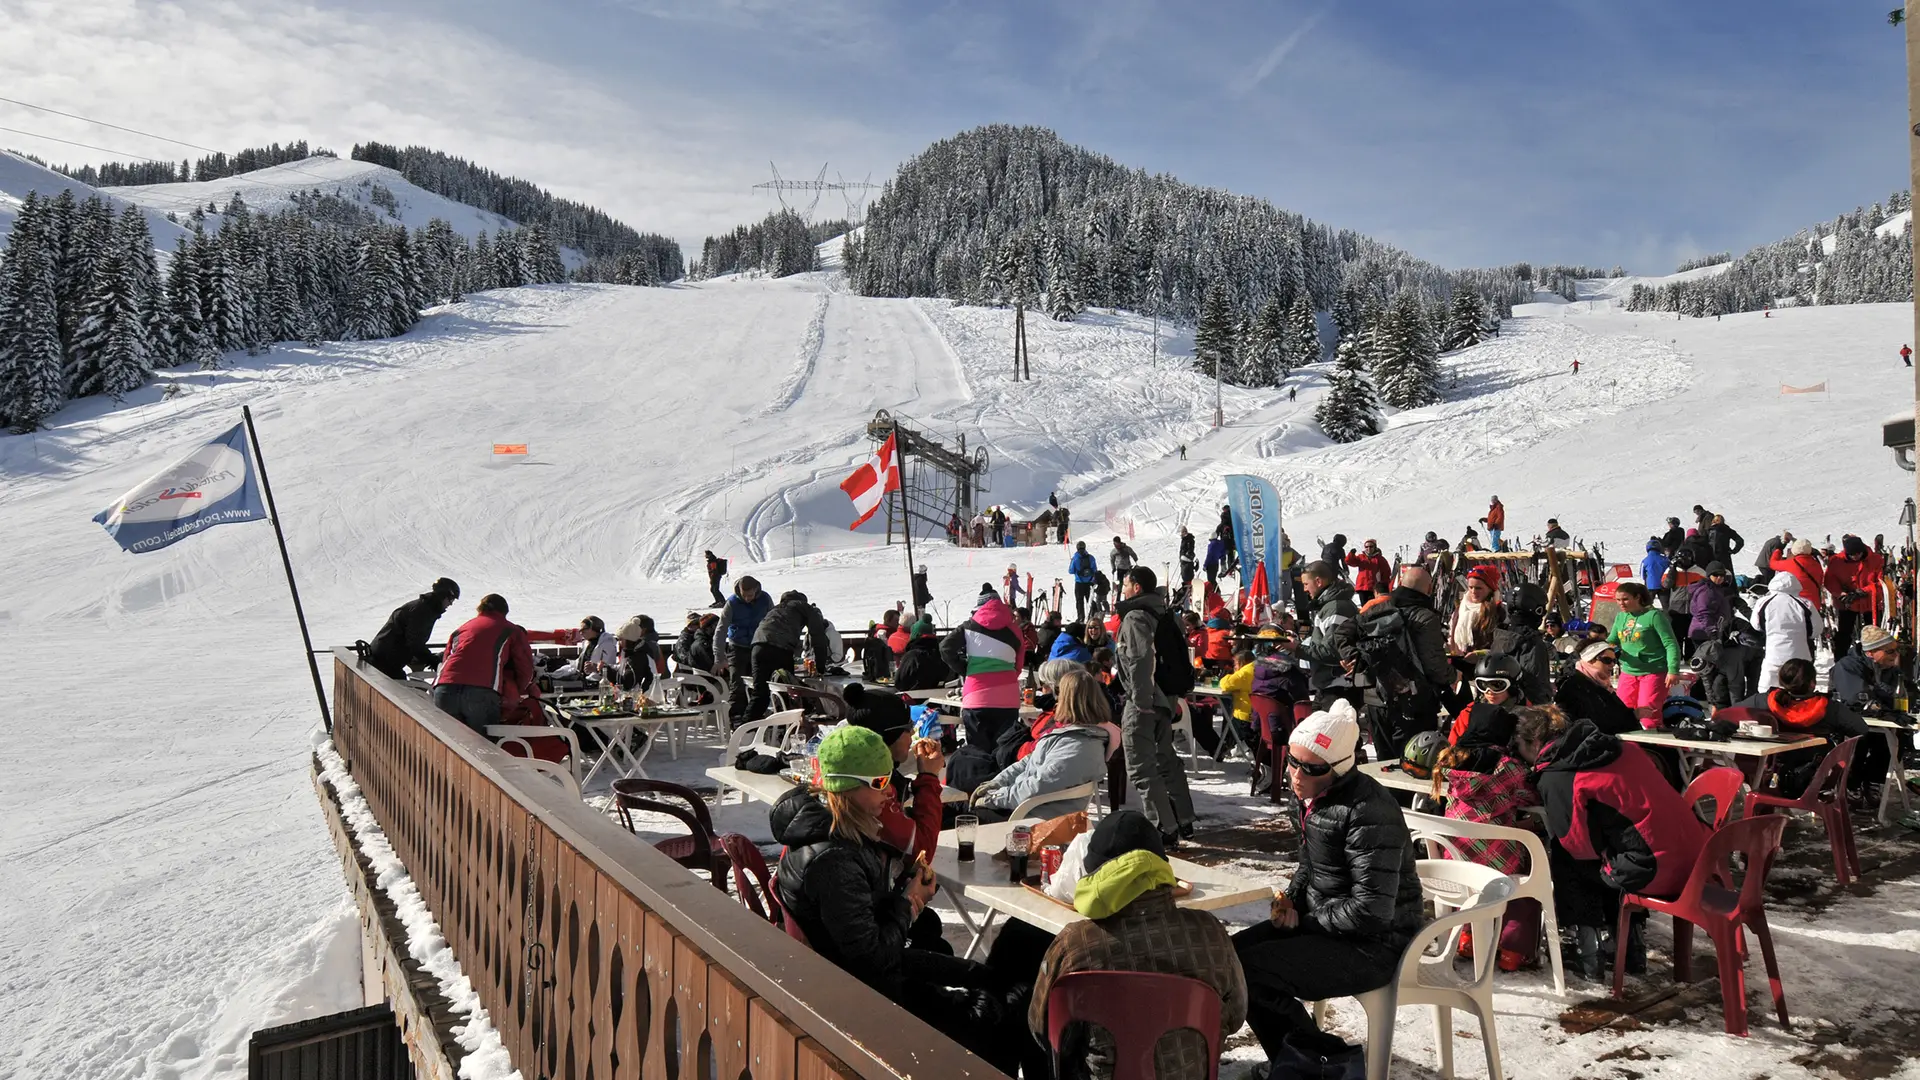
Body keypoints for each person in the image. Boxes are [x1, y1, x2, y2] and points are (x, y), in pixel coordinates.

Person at [772, 726, 1030, 1075]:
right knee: (1011, 1006)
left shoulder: (841, 832)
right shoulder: (833, 860)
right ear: (846, 786)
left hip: (864, 978)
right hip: (864, 1001)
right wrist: (910, 902)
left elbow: (866, 932)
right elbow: (873, 959)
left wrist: (907, 889)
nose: (890, 790)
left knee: (1002, 972)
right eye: (879, 783)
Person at [1232, 699, 1423, 1073]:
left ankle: (1318, 1065)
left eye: (1312, 767)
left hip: (1377, 944)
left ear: (1339, 769)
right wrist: (1290, 900)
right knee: (1225, 957)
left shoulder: (1368, 811)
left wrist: (1304, 922)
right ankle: (1298, 1060)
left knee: (1250, 971)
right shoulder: (1310, 798)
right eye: (1292, 760)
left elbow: (1371, 910)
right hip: (1330, 926)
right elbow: (1310, 863)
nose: (1296, 774)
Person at [1030, 810, 1248, 1080]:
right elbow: (1235, 1015)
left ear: (1094, 875)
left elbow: (1043, 1030)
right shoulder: (1210, 934)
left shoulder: (1075, 945)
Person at [1526, 710, 1707, 981]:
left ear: (1532, 743)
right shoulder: (1622, 748)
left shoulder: (1560, 776)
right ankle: (1632, 948)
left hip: (1656, 871)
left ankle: (1588, 953)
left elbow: (1577, 846)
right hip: (1699, 861)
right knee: (1614, 852)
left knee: (1569, 859)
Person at [1435, 703, 1554, 973]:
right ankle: (1514, 950)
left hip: (1456, 858)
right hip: (1497, 863)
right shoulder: (1508, 768)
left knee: (1472, 883)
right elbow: (1532, 796)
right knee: (1526, 875)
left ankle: (1468, 938)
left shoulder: (1449, 762)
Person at [971, 669, 1120, 823]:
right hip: (1025, 806)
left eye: (1058, 691)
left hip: (1034, 818)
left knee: (959, 814)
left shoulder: (1079, 746)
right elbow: (1029, 761)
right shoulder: (1076, 734)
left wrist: (994, 798)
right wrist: (997, 783)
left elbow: (1037, 786)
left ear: (1067, 698)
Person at [1115, 566, 1197, 844]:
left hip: (1145, 701)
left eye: (1125, 584)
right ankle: (1182, 817)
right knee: (1165, 759)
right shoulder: (1167, 614)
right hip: (1166, 699)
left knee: (1140, 766)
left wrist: (1140, 700)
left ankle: (1163, 827)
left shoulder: (1136, 616)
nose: (1123, 589)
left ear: (1136, 587)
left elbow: (1140, 660)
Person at [1733, 657, 1876, 800]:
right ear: (1812, 684)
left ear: (1782, 681)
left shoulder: (1764, 701)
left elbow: (1728, 713)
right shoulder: (1830, 708)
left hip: (1770, 774)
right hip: (1819, 779)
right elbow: (1861, 728)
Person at [1357, 565, 1455, 761]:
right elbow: (1434, 665)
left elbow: (1344, 634)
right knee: (1413, 761)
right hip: (1413, 700)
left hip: (1375, 698)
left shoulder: (1376, 609)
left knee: (1385, 763)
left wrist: (1350, 658)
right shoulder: (1425, 617)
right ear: (1429, 589)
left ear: (1400, 584)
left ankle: (1387, 792)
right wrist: (1453, 675)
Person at [941, 585, 1030, 768]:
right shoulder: (1015, 629)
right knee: (1004, 752)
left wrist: (966, 669)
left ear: (979, 607)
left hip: (976, 697)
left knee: (977, 754)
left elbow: (945, 648)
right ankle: (1002, 793)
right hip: (1007, 698)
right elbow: (1018, 665)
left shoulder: (969, 626)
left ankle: (978, 792)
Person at [433, 593, 535, 735]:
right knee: (483, 748)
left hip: (444, 688)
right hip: (481, 691)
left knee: (450, 745)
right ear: (504, 612)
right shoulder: (511, 630)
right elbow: (525, 667)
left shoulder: (461, 629)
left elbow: (447, 658)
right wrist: (514, 690)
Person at [1828, 626, 1907, 798]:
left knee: (1896, 737)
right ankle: (1851, 782)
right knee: (1859, 737)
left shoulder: (1892, 669)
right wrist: (1885, 696)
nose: (1895, 655)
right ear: (1871, 652)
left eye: (1896, 650)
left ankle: (1874, 780)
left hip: (1879, 721)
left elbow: (1907, 692)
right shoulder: (1847, 666)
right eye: (1890, 651)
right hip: (1849, 720)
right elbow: (1857, 698)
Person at [748, 591, 834, 721]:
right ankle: (789, 729)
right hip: (781, 649)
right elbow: (818, 637)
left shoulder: (776, 609)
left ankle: (745, 731)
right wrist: (821, 668)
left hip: (758, 647)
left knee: (760, 694)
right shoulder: (806, 608)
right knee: (789, 693)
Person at [1606, 582, 1679, 725]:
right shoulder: (1621, 617)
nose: (1621, 603)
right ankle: (1629, 746)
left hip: (1653, 671)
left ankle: (1652, 746)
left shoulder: (1654, 616)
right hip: (1628, 671)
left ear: (1637, 597)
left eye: (1625, 599)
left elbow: (1670, 644)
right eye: (1618, 600)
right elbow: (1612, 640)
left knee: (1648, 715)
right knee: (1623, 712)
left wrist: (1673, 670)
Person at [1445, 652, 1530, 772]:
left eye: (1497, 685)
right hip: (1472, 772)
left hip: (1511, 774)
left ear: (1512, 685)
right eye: (1483, 685)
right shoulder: (1469, 713)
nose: (1489, 691)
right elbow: (1452, 747)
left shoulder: (1527, 714)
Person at [366, 577, 461, 680]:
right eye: (451, 599)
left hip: (385, 659)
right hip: (384, 661)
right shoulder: (422, 611)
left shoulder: (425, 608)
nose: (451, 603)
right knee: (401, 693)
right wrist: (432, 660)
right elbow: (414, 643)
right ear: (442, 595)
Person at [1299, 560, 1362, 708]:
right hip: (1328, 685)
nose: (1304, 589)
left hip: (1339, 687)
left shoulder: (1336, 607)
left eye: (1306, 584)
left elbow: (1332, 651)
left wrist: (1296, 648)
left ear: (1318, 581)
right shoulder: (1328, 606)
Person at [714, 576, 773, 722]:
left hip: (758, 646)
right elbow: (721, 630)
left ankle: (755, 717)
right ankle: (735, 718)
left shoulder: (765, 599)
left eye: (750, 595)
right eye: (744, 595)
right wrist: (719, 657)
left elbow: (773, 621)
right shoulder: (732, 603)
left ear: (756, 590)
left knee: (758, 684)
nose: (747, 598)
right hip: (737, 647)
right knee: (737, 684)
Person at [1555, 641, 1641, 735]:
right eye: (1607, 660)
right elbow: (1595, 723)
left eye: (1614, 661)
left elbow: (1613, 714)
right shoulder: (1574, 686)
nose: (1612, 664)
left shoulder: (1601, 685)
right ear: (1590, 659)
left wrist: (1633, 714)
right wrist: (1631, 716)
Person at [1750, 572, 1816, 692]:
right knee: (1800, 690)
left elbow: (1756, 625)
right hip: (1800, 655)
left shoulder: (1764, 602)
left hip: (1774, 654)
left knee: (1768, 690)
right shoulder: (1804, 603)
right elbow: (1816, 629)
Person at [1490, 582, 1554, 705]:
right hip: (1526, 715)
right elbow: (1536, 686)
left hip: (1500, 708)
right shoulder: (1531, 643)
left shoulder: (1501, 637)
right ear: (1537, 610)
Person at [1825, 534, 1885, 652]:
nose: (1856, 557)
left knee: (1874, 634)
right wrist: (1841, 594)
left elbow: (1881, 581)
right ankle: (1840, 659)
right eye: (1852, 554)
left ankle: (1874, 660)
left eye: (1858, 553)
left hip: (1870, 603)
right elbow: (1829, 581)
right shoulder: (1837, 561)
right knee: (1844, 634)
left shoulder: (1875, 559)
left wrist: (1864, 591)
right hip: (1847, 604)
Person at [1448, 565, 1503, 657]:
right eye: (1470, 587)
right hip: (1460, 661)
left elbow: (1501, 646)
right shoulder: (1461, 608)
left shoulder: (1498, 611)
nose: (1473, 591)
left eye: (1478, 588)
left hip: (1485, 665)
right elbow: (1451, 634)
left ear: (1490, 589)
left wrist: (1479, 654)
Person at [893, 618, 949, 691]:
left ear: (914, 635)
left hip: (914, 697)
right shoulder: (942, 654)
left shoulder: (912, 656)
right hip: (940, 696)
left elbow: (899, 682)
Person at [615, 614, 663, 691]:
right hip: (647, 686)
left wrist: (607, 671)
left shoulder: (642, 649)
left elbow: (631, 679)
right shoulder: (634, 648)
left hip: (646, 689)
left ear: (643, 630)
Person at [1068, 541, 1098, 622]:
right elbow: (1095, 570)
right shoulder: (1091, 557)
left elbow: (1070, 571)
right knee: (1090, 600)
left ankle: (1081, 617)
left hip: (1079, 583)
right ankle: (1093, 615)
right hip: (1089, 583)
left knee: (1079, 601)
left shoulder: (1075, 558)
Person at [1640, 538, 1670, 604]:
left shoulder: (1645, 560)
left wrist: (1647, 580)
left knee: (1647, 605)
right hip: (1664, 585)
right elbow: (1670, 572)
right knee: (1666, 605)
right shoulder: (1665, 559)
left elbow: (1642, 575)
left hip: (1650, 586)